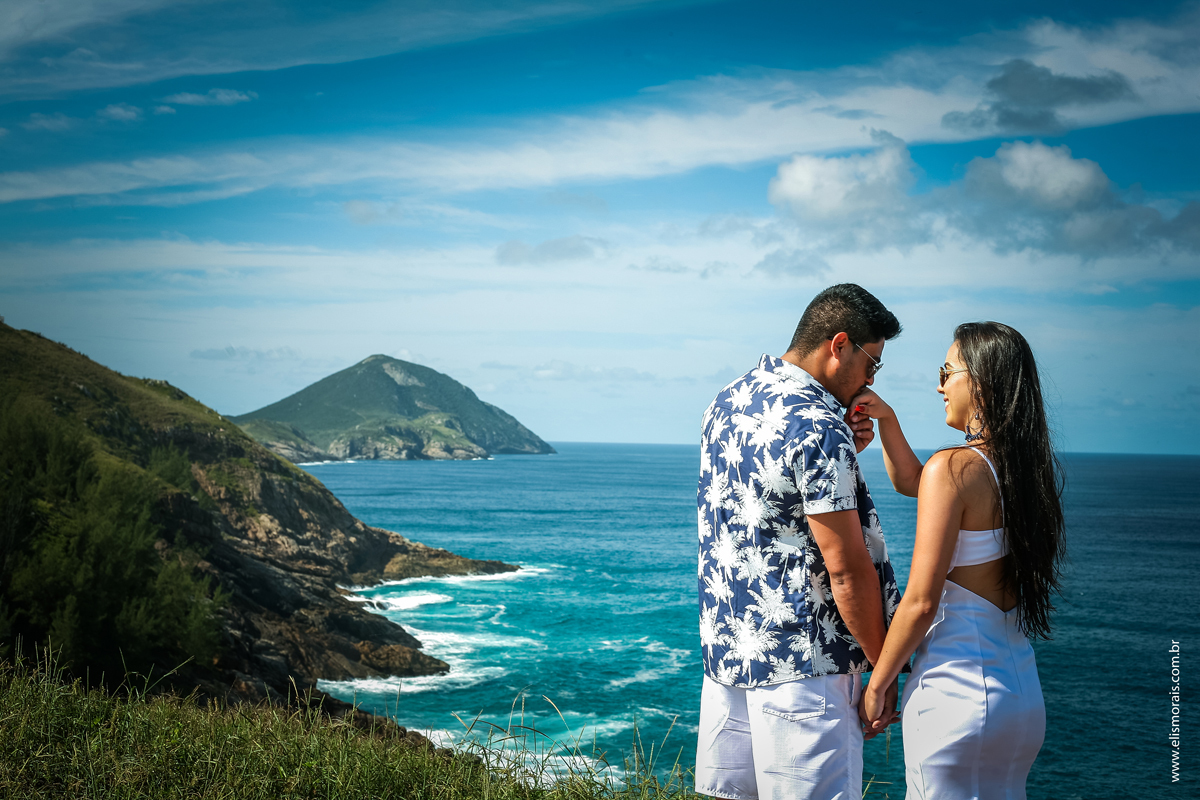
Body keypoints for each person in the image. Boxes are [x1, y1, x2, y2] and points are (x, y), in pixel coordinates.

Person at [695, 284, 904, 800]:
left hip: (728, 662)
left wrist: (843, 454)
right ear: (839, 345)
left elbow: (766, 507)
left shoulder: (727, 402)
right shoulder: (818, 428)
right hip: (806, 671)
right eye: (872, 363)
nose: (871, 379)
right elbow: (845, 569)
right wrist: (884, 669)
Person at [854, 321, 1066, 800]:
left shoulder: (953, 467)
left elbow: (920, 602)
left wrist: (878, 684)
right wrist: (888, 420)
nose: (940, 386)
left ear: (982, 380)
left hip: (956, 697)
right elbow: (915, 482)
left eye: (946, 372)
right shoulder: (1022, 470)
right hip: (1020, 700)